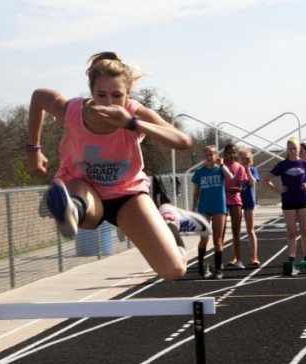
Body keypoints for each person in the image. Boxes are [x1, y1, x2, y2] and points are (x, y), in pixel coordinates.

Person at [26, 52, 210, 282]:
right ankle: (71, 209)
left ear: (128, 95)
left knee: (174, 270)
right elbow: (40, 97)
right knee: (83, 211)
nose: (108, 103)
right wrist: (34, 149)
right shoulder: (73, 112)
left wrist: (132, 123)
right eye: (100, 95)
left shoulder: (135, 113)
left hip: (127, 195)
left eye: (116, 96)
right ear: (91, 92)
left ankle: (169, 221)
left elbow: (182, 141)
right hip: (84, 189)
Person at [263, 137, 306, 274]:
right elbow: (267, 180)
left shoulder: (305, 163)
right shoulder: (282, 165)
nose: (293, 150)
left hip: (304, 201)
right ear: (287, 150)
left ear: (299, 149)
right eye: (290, 148)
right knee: (291, 233)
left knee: (305, 231)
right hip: (288, 201)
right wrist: (278, 191)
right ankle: (291, 260)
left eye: (295, 148)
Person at [191, 145, 234, 279]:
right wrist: (193, 208)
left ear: (216, 156)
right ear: (204, 157)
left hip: (219, 208)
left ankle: (218, 269)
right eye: (207, 155)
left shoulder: (219, 170)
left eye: (212, 155)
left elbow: (231, 177)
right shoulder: (200, 172)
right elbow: (196, 191)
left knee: (218, 240)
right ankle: (201, 264)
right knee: (204, 238)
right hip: (204, 208)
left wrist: (221, 165)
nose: (209, 157)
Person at [222, 144, 249, 269]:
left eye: (233, 152)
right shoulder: (221, 167)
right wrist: (227, 189)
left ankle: (238, 259)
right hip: (221, 201)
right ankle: (219, 261)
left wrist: (233, 189)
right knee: (220, 232)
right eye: (228, 152)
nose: (231, 155)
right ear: (225, 154)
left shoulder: (240, 168)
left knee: (236, 232)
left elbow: (242, 186)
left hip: (236, 202)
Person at [238, 147, 261, 266]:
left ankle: (254, 256)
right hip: (236, 203)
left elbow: (253, 183)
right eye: (242, 158)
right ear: (238, 159)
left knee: (250, 230)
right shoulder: (235, 170)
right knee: (236, 231)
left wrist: (247, 170)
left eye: (247, 158)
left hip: (249, 202)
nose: (245, 160)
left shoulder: (253, 169)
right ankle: (235, 257)